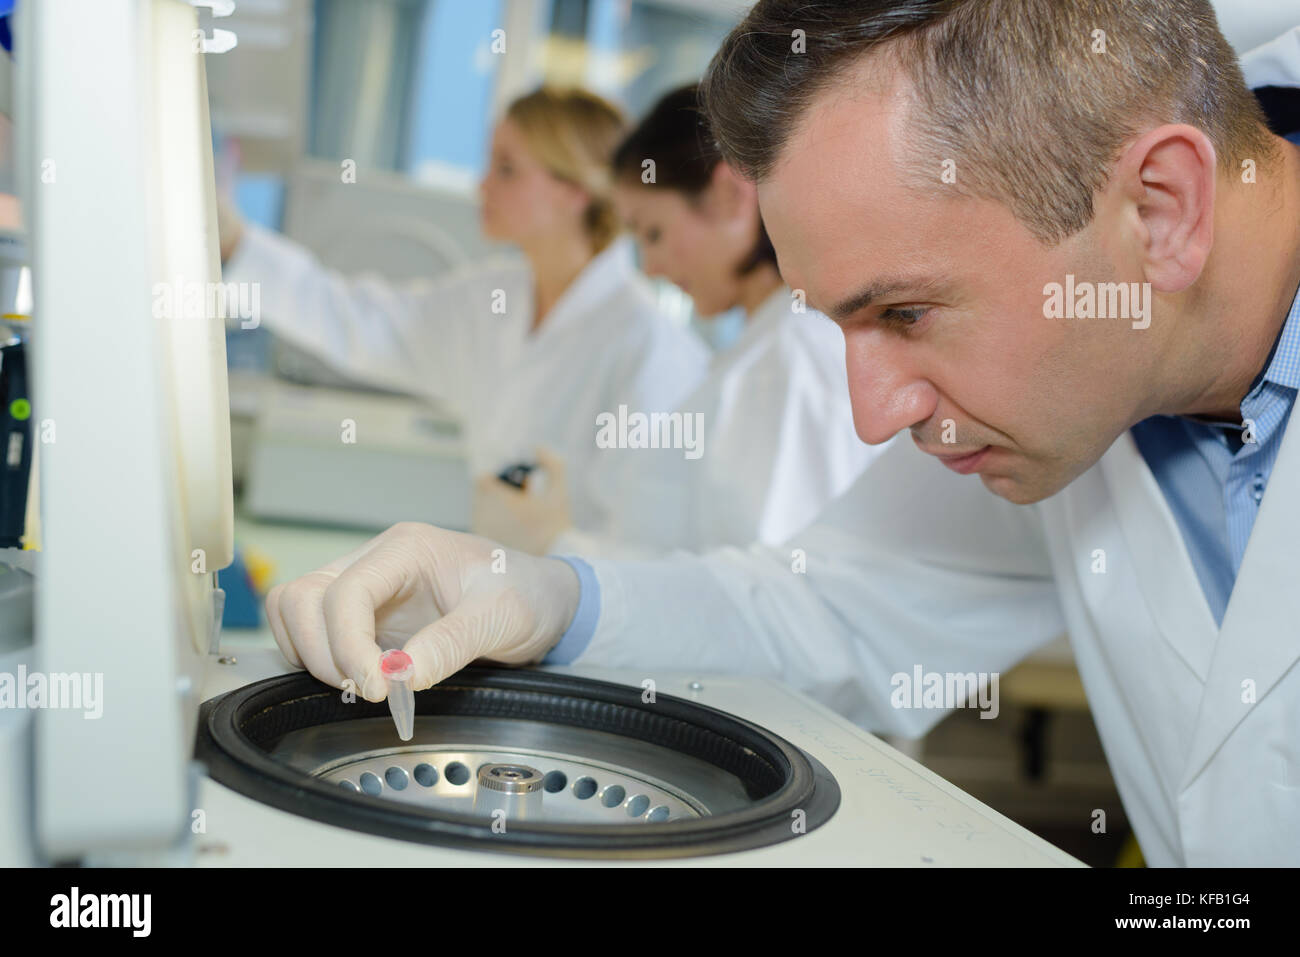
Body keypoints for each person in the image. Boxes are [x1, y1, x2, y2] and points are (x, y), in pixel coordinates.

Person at [264, 1, 1300, 866]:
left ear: (1161, 211)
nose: (870, 415)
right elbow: (829, 609)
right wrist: (547, 598)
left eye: (904, 313)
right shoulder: (1083, 386)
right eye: (837, 320)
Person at [220, 87, 709, 532]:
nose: (482, 186)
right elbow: (357, 320)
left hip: (586, 615)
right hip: (500, 592)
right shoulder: (492, 300)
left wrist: (560, 548)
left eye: (507, 169)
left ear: (572, 191)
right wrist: (236, 244)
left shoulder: (649, 347)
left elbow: (648, 543)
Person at [472, 85, 886, 557]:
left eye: (654, 233)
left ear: (730, 195)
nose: (650, 267)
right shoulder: (762, 350)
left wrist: (559, 544)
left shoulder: (791, 355)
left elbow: (767, 593)